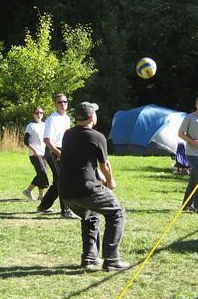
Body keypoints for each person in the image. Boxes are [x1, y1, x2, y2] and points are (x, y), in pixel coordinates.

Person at [60, 102, 129, 271]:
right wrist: (110, 181)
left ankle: (89, 258)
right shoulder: (97, 136)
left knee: (90, 215)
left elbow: (82, 161)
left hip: (66, 192)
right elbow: (104, 164)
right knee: (117, 212)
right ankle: (112, 260)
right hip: (86, 189)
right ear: (92, 117)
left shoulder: (67, 135)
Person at [37, 93, 78, 218]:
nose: (63, 104)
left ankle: (43, 206)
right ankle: (66, 210)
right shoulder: (51, 119)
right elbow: (47, 140)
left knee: (58, 181)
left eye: (65, 102)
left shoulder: (66, 118)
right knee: (64, 180)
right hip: (53, 151)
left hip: (63, 150)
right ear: (55, 104)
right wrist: (59, 153)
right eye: (60, 102)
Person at [22, 106, 49, 201]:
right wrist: (34, 151)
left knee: (42, 174)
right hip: (35, 154)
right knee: (42, 172)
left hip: (44, 153)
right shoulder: (30, 126)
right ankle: (29, 190)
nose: (39, 115)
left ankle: (40, 195)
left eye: (41, 113)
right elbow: (26, 141)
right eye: (37, 113)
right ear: (33, 114)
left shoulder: (45, 125)